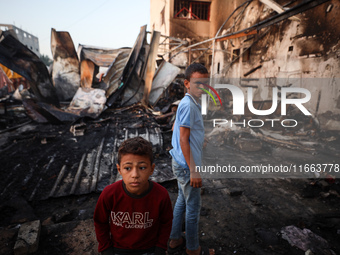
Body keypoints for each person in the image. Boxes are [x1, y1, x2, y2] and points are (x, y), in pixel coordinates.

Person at [93, 137, 173, 255]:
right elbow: (100, 222)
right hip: (118, 249)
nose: (135, 175)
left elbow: (166, 222)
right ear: (119, 169)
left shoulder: (161, 195)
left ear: (152, 169)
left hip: (150, 249)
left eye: (142, 167)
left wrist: (160, 247)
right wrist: (105, 248)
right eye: (128, 168)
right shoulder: (109, 194)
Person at [168, 63, 214, 255]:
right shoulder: (189, 105)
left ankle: (175, 239)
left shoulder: (188, 102)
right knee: (193, 208)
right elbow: (183, 138)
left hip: (179, 161)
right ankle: (193, 249)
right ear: (187, 83)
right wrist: (194, 170)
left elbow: (175, 130)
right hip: (188, 167)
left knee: (181, 200)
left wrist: (198, 140)